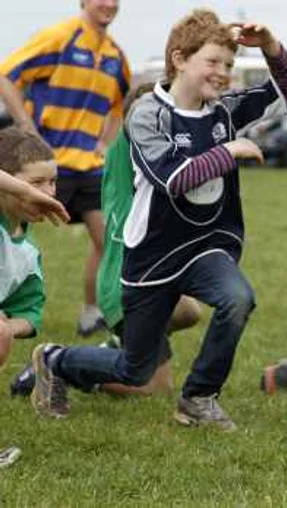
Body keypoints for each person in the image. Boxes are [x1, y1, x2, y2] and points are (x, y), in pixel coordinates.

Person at [28, 9, 287, 428]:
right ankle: (55, 359)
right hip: (152, 257)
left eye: (229, 65)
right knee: (133, 371)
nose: (223, 73)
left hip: (205, 247)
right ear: (179, 59)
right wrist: (229, 152)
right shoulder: (146, 114)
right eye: (212, 62)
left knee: (237, 299)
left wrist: (270, 46)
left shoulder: (224, 112)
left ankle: (198, 397)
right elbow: (171, 178)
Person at [9, 83, 202, 398]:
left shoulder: (152, 152)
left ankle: (114, 346)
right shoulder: (134, 145)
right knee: (153, 386)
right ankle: (58, 362)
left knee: (188, 311)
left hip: (145, 277)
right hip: (127, 284)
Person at [0, 0, 131, 337]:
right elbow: (6, 75)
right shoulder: (59, 38)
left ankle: (92, 313)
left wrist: (106, 145)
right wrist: (26, 126)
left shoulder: (116, 57)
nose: (110, 4)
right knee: (11, 236)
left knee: (107, 239)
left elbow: (119, 107)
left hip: (88, 167)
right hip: (43, 166)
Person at [0, 127, 64, 469]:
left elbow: (31, 312)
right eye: (35, 182)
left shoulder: (26, 253)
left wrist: (8, 328)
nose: (47, 193)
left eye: (52, 182)